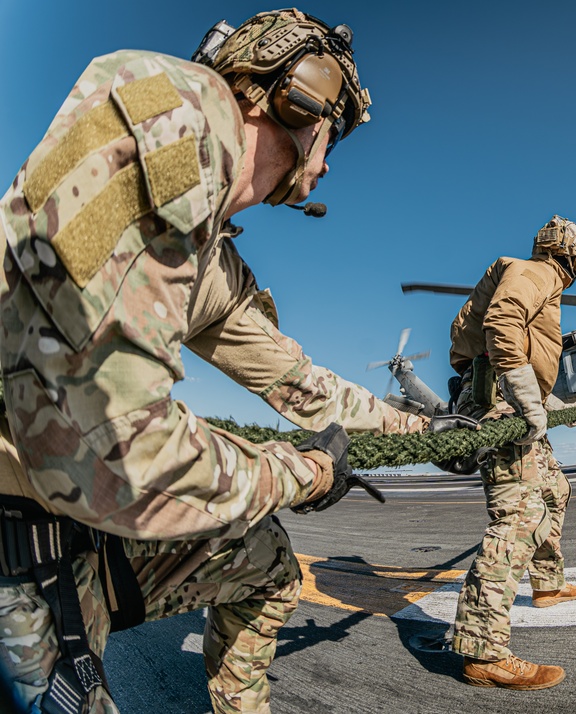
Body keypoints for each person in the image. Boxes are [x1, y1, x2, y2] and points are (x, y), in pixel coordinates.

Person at [0, 10, 471, 713]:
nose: (330, 160)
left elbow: (304, 386)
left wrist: (430, 436)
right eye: (330, 135)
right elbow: (112, 456)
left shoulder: (208, 253)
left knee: (265, 561)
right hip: (31, 521)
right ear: (300, 94)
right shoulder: (169, 116)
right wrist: (303, 472)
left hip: (73, 525)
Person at [447, 215, 576, 690]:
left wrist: (556, 405)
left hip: (509, 395)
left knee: (554, 488)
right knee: (519, 517)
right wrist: (530, 402)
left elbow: (520, 356)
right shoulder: (539, 273)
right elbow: (503, 325)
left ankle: (547, 584)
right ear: (572, 253)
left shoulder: (535, 276)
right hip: (500, 402)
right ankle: (482, 649)